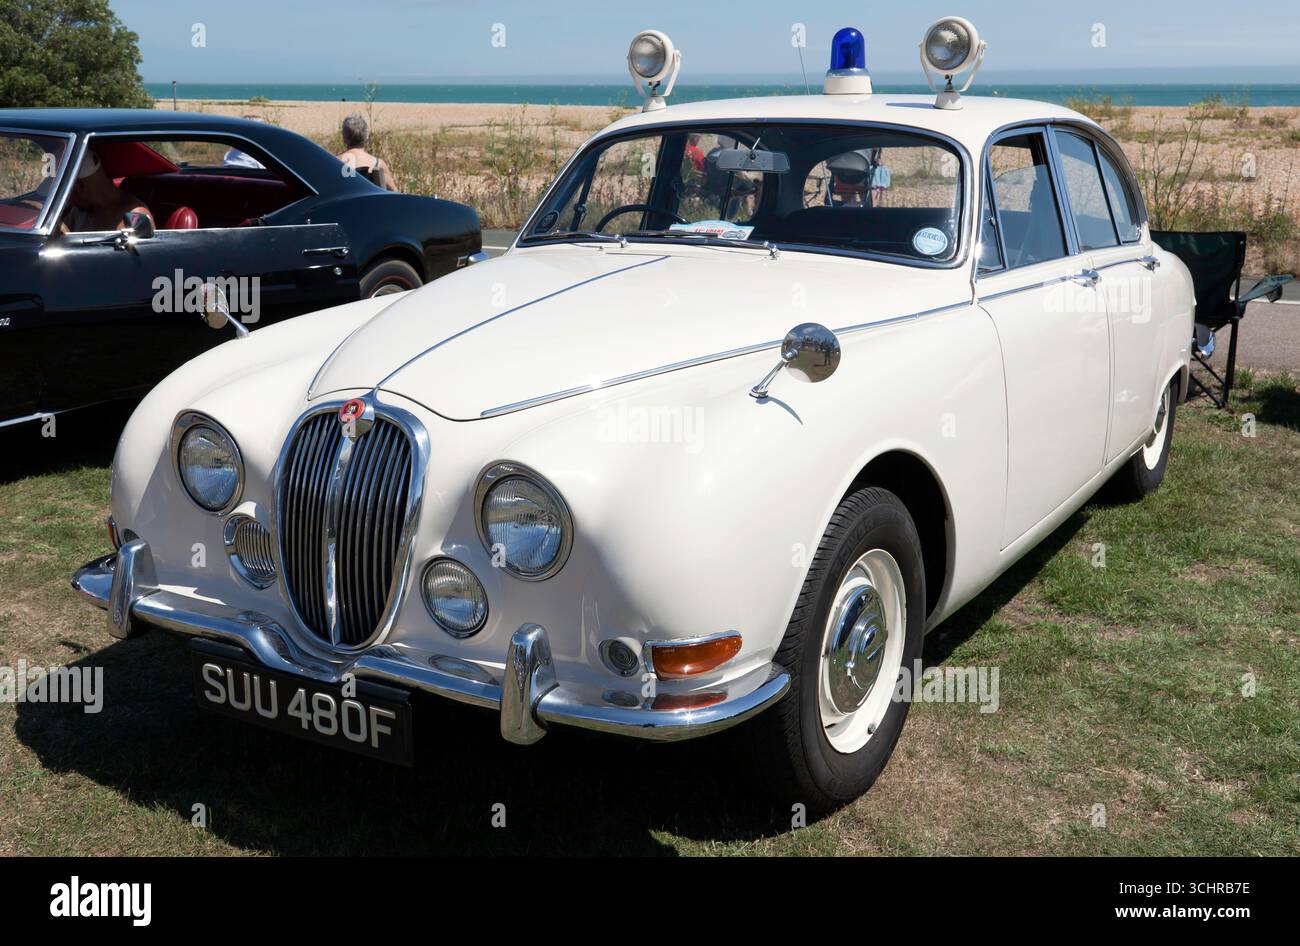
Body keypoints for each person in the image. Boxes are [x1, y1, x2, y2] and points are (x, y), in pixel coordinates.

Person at [61, 152, 154, 233]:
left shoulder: (135, 216)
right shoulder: (78, 211)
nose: (67, 200)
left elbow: (133, 253)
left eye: (66, 192)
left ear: (79, 186)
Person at [336, 114, 397, 191]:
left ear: (344, 138)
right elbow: (394, 192)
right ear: (366, 138)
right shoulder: (377, 163)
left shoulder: (334, 162)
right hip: (372, 203)